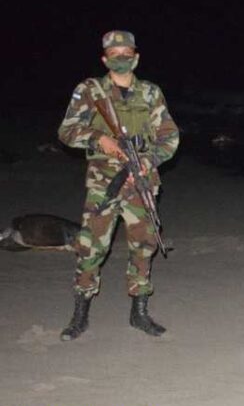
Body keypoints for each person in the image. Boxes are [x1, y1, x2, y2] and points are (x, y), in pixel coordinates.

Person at [58, 30, 180, 340]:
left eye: (127, 53)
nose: (121, 58)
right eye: (115, 54)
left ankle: (139, 313)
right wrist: (99, 138)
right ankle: (80, 315)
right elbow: (67, 131)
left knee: (144, 246)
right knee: (91, 247)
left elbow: (170, 137)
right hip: (104, 182)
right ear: (105, 58)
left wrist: (148, 159)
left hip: (140, 181)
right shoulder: (90, 90)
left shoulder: (151, 93)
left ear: (136, 56)